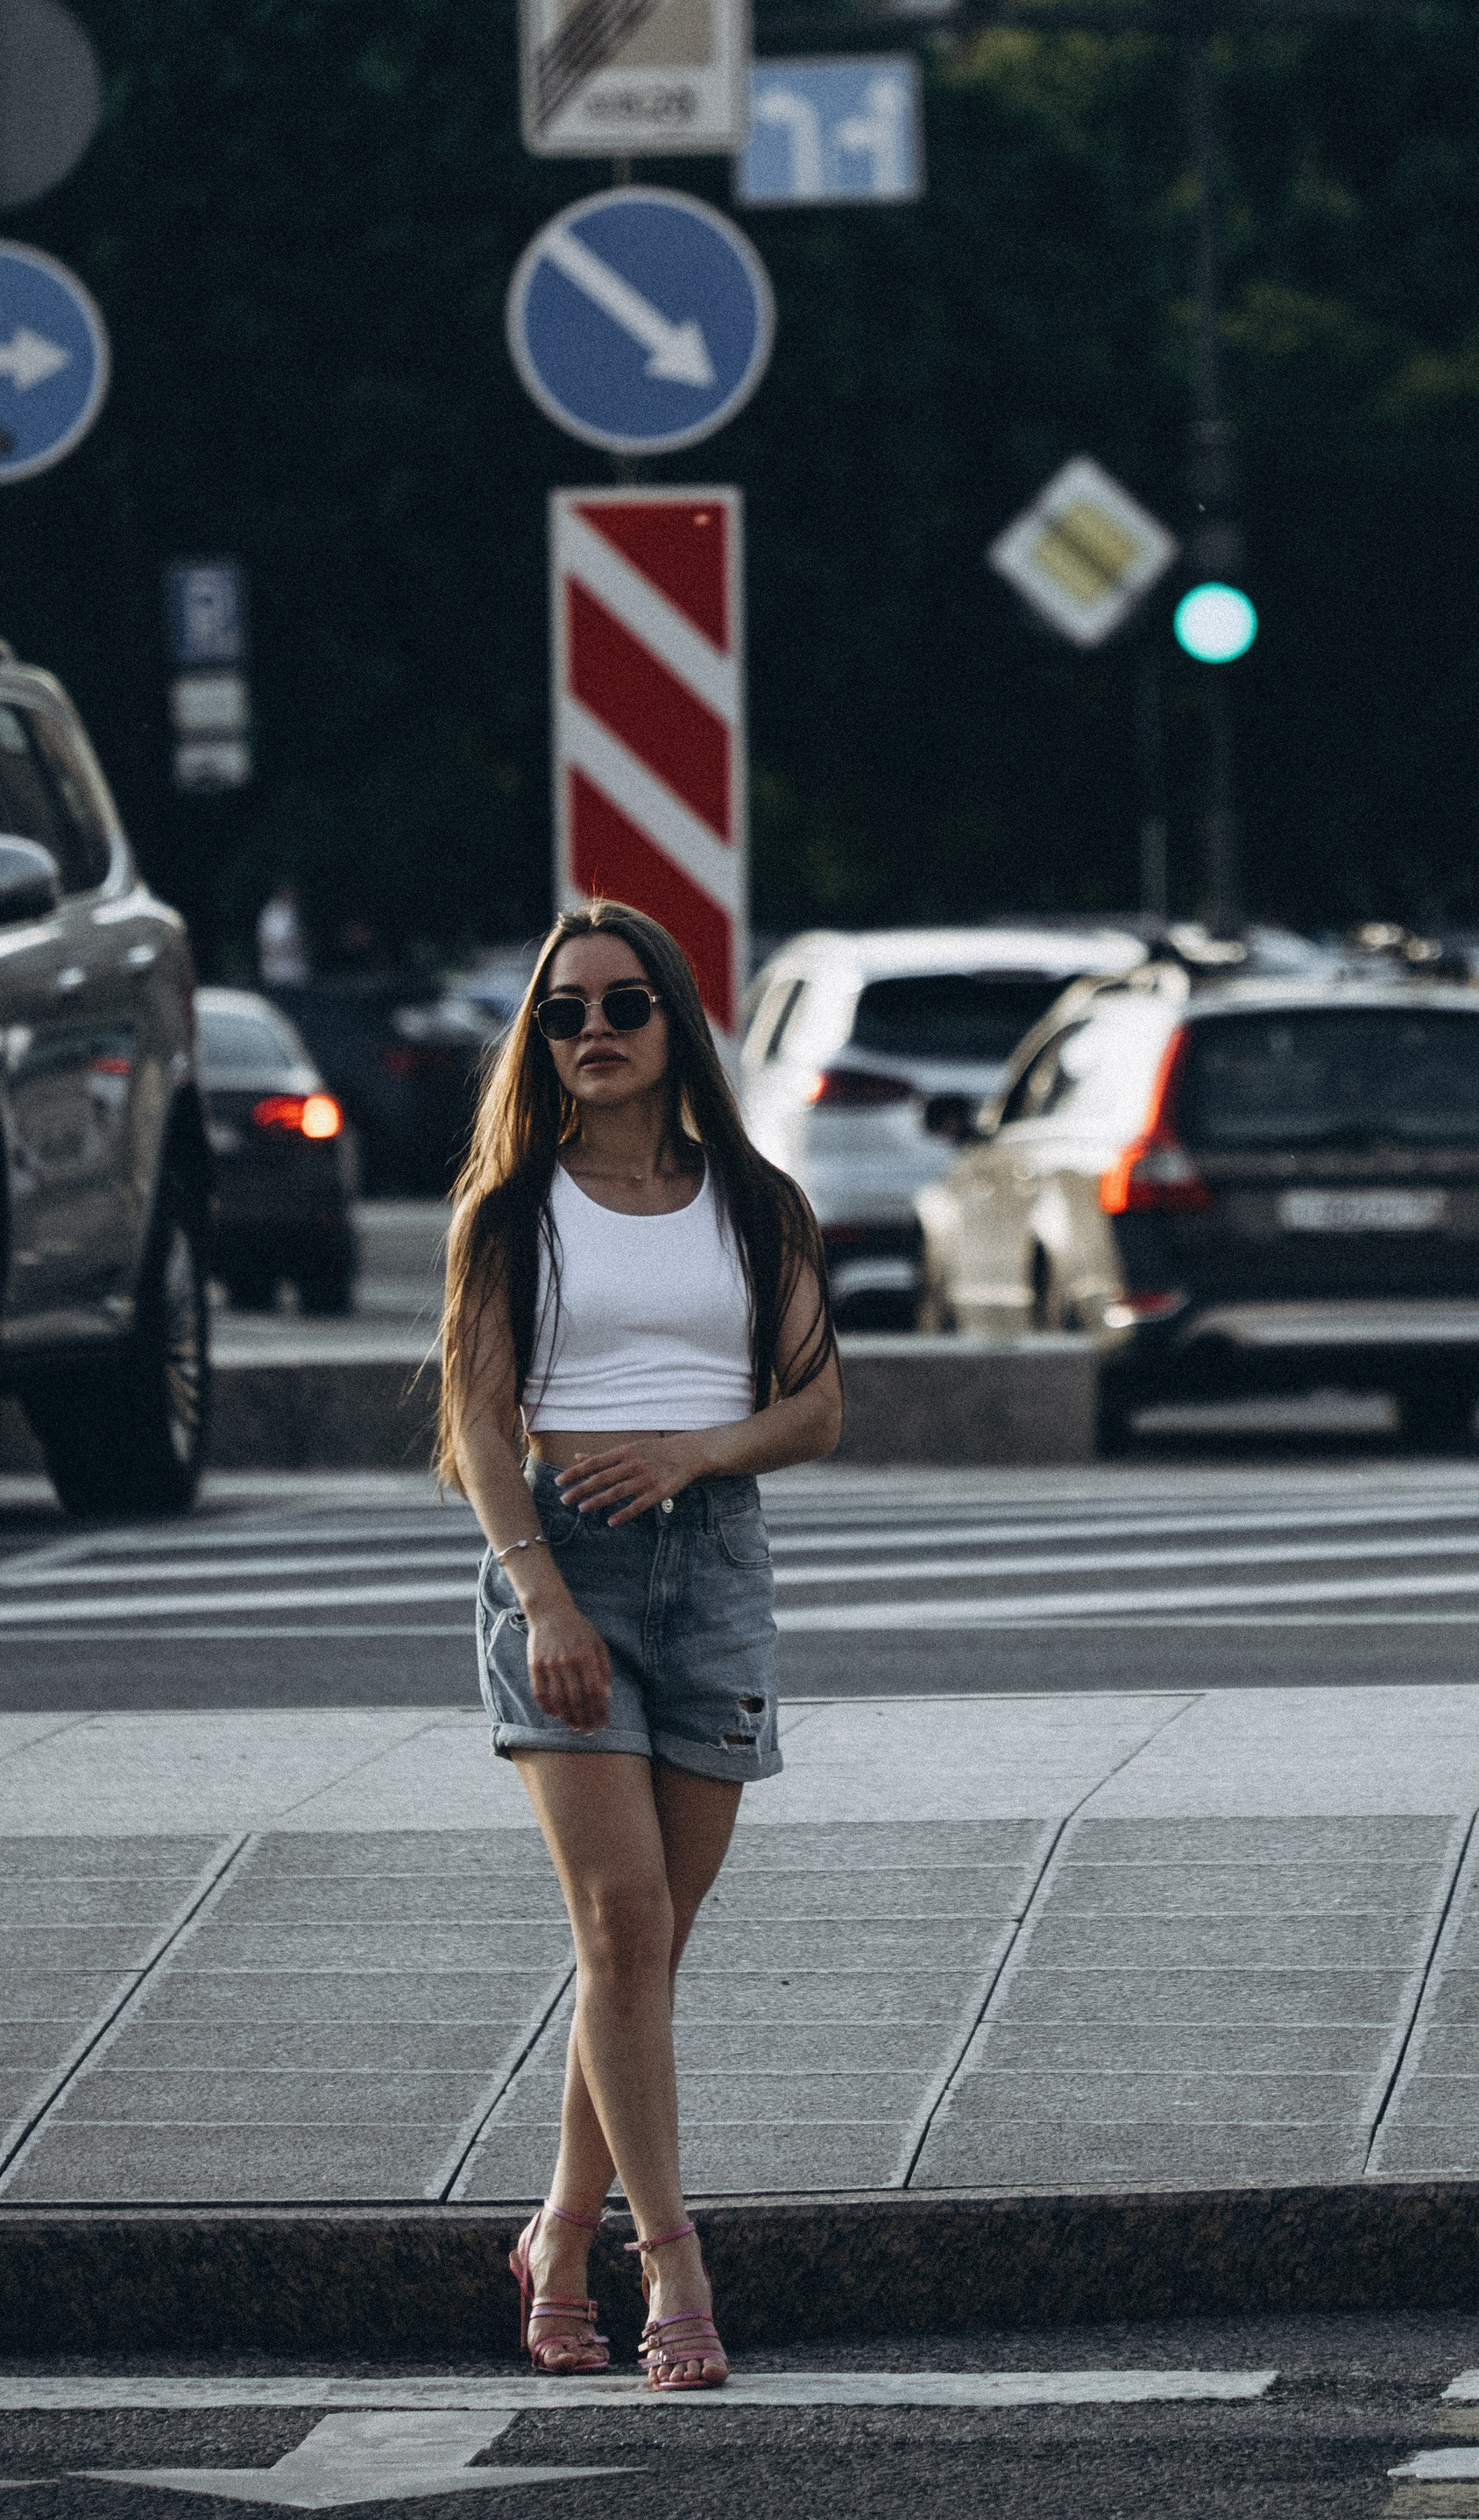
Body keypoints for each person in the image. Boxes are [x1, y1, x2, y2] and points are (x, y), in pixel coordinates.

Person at [437, 898, 843, 2389]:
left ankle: (556, 2229)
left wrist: (691, 1454)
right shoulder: (511, 1212)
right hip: (568, 1573)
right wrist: (541, 1594)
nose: (593, 1033)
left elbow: (815, 1408)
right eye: (563, 1013)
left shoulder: (757, 1202)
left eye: (623, 1006)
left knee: (649, 1945)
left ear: (675, 1021)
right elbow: (479, 1429)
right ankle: (672, 2267)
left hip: (717, 1566)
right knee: (618, 1925)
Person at [256, 882, 308, 991]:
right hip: (277, 973)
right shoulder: (272, 915)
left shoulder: (291, 913)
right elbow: (267, 943)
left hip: (293, 972)